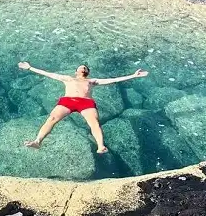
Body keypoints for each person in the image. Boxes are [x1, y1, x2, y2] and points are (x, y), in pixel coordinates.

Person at [18, 61, 149, 154]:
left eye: (85, 68)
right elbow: (49, 74)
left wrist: (133, 75)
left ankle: (100, 146)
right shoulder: (68, 78)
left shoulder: (92, 81)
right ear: (76, 72)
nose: (83, 68)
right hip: (67, 101)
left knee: (94, 123)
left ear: (88, 72)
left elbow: (113, 80)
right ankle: (37, 141)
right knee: (52, 118)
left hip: (86, 103)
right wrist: (30, 68)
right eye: (81, 67)